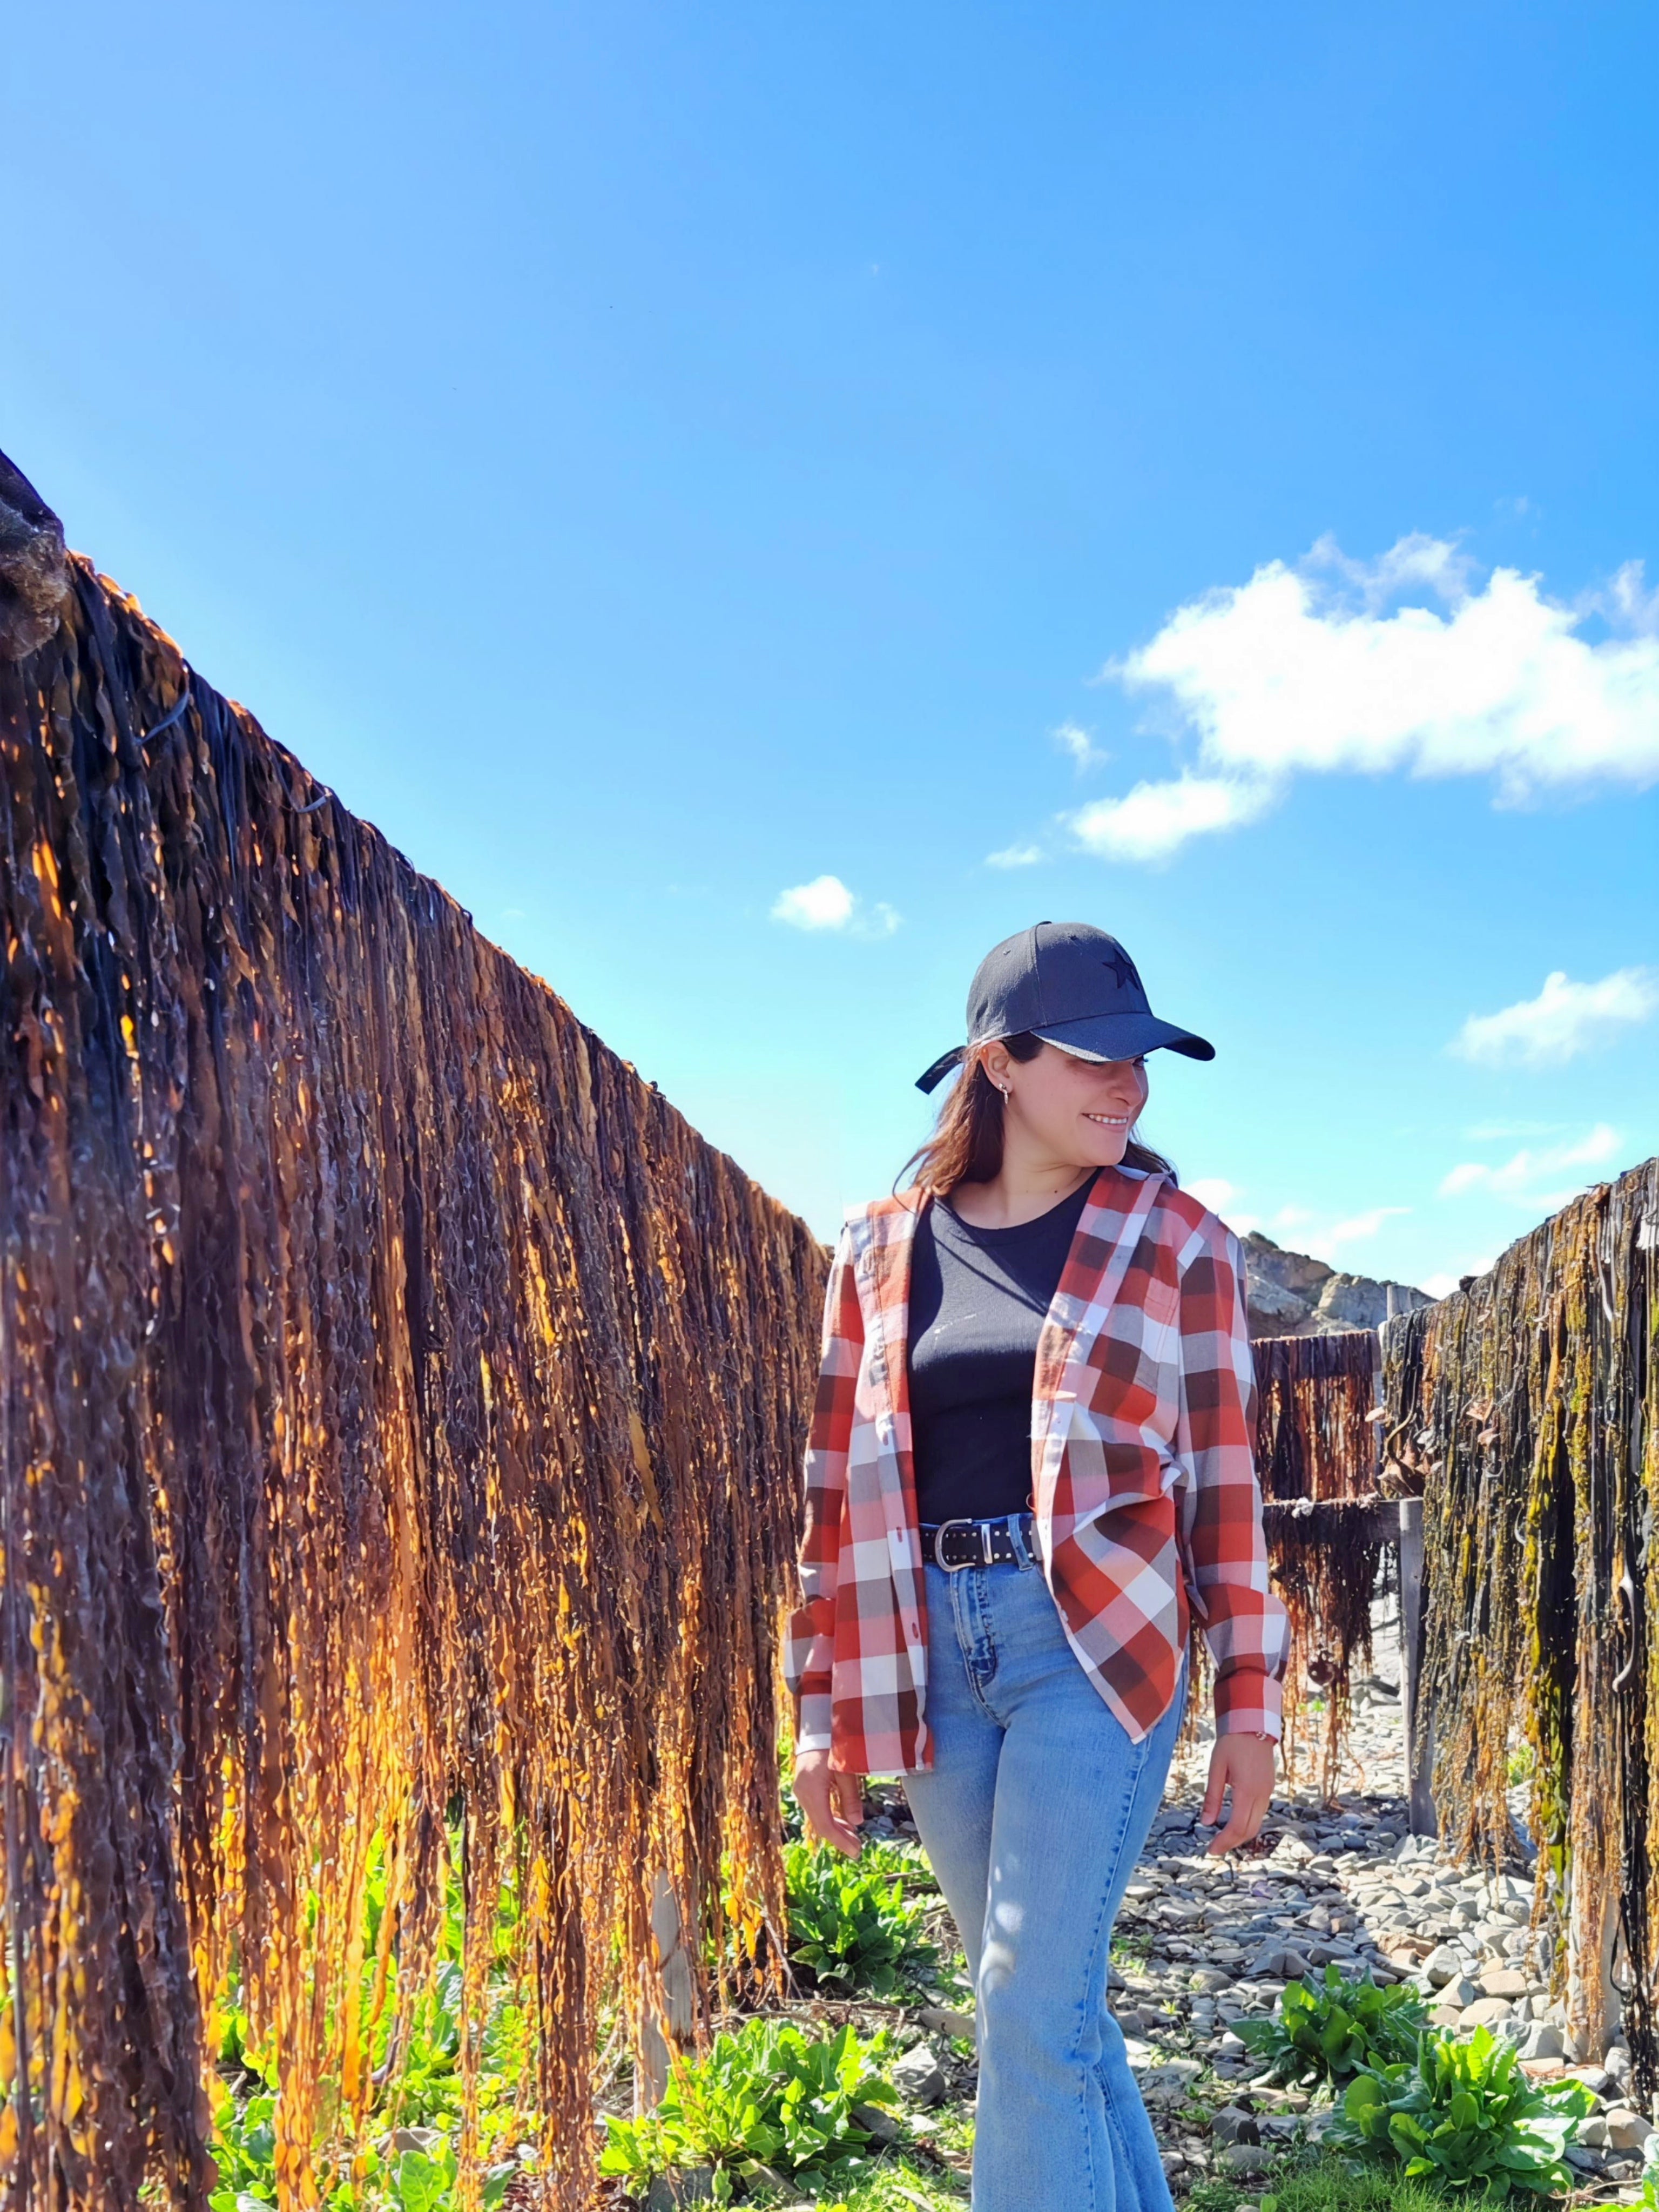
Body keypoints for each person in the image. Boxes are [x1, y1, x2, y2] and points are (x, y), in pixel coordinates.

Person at [785, 920, 1289, 2212]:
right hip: (929, 1656)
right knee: (1046, 2004)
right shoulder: (877, 1247)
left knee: (1023, 1990)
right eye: (1095, 1057)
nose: (1129, 1084)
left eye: (1144, 1060)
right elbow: (836, 1489)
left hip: (1099, 1648)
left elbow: (1226, 1487)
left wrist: (1251, 1710)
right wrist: (820, 1710)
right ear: (998, 1062)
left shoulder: (1179, 1240)